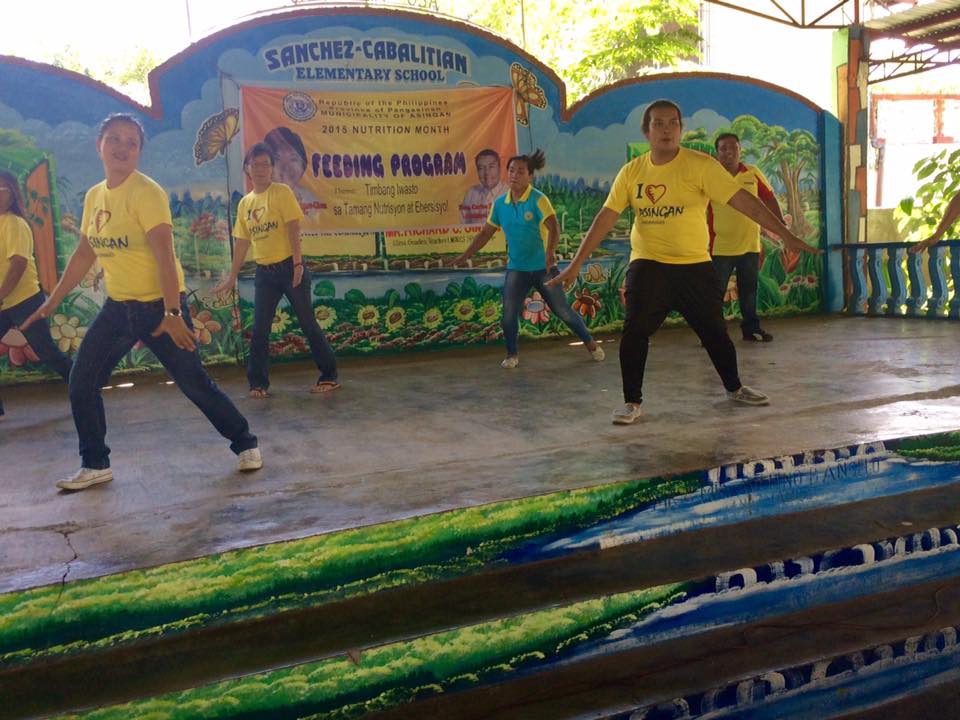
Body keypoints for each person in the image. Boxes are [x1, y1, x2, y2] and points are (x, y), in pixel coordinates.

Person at [21, 113, 261, 491]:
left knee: (194, 382)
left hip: (159, 307)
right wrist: (52, 302)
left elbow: (165, 256)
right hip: (118, 308)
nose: (122, 148)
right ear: (98, 145)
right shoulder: (95, 196)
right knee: (81, 380)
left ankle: (245, 442)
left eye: (131, 143)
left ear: (139, 152)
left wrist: (172, 313)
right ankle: (95, 463)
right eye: (114, 139)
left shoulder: (146, 193)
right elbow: (85, 254)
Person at [549, 99, 820, 424]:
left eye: (672, 123)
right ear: (646, 131)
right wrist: (577, 262)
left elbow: (744, 201)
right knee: (634, 333)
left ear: (681, 129)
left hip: (695, 266)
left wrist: (783, 234)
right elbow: (606, 217)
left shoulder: (701, 165)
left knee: (715, 334)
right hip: (648, 265)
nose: (666, 129)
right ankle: (631, 402)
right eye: (658, 124)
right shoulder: (632, 172)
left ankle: (734, 388)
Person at [448, 149, 605, 368]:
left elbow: (554, 228)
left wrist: (550, 254)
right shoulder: (500, 204)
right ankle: (512, 354)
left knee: (563, 311)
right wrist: (465, 255)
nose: (514, 175)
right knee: (508, 316)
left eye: (520, 171)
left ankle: (590, 343)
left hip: (543, 269)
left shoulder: (539, 199)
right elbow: (485, 233)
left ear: (530, 176)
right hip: (517, 269)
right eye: (511, 170)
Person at [214, 142, 339, 398]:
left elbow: (293, 228)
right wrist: (232, 276)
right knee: (260, 329)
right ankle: (258, 383)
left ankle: (329, 375)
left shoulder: (281, 192)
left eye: (265, 164)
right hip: (265, 274)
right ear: (247, 169)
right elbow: (242, 242)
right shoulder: (245, 204)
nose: (259, 169)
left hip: (289, 268)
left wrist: (297, 263)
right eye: (254, 164)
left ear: (271, 169)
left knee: (307, 323)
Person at [0, 170, 73, 418]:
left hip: (24, 300)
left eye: (2, 190)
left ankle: (84, 387)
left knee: (46, 351)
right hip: (3, 301)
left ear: (12, 195)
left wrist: (1, 295)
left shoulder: (15, 224)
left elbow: (18, 264)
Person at [708, 132, 785, 342]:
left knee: (749, 290)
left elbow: (769, 199)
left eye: (733, 147)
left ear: (740, 150)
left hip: (750, 245)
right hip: (720, 247)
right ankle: (713, 335)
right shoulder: (710, 175)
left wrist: (781, 226)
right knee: (715, 294)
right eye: (723, 148)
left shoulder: (753, 173)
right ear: (717, 153)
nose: (729, 152)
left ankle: (751, 329)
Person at [262, 127, 324, 214]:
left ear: (303, 165)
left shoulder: (311, 199)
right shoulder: (257, 201)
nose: (286, 167)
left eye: (293, 159)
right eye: (277, 159)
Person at [460, 149, 509, 225]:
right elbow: (464, 226)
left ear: (499, 168)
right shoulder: (471, 193)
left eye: (491, 167)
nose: (487, 172)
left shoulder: (510, 193)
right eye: (481, 168)